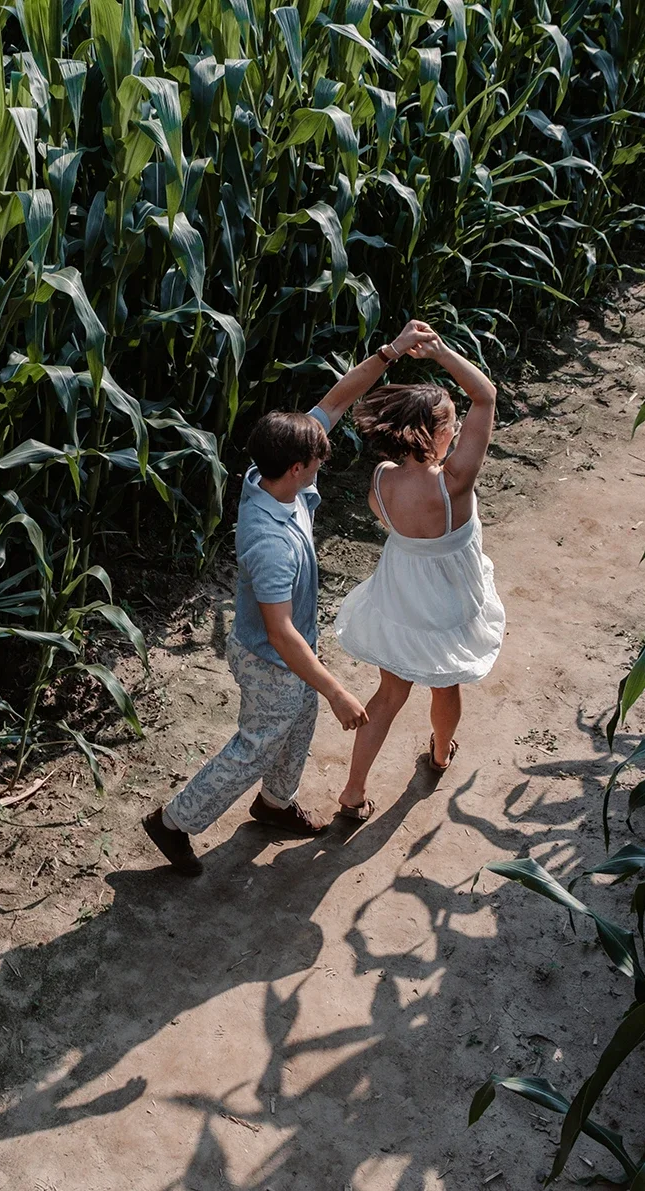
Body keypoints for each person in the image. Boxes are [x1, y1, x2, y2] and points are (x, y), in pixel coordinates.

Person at [143, 321, 441, 875]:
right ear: (299, 467)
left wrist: (389, 353)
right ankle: (173, 822)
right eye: (319, 460)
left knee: (298, 723)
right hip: (270, 657)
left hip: (292, 649)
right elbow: (279, 632)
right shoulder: (269, 541)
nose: (325, 462)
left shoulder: (271, 470)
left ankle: (274, 804)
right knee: (256, 743)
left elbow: (334, 399)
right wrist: (337, 692)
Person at [331, 323, 505, 821]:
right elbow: (486, 396)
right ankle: (440, 754)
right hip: (446, 602)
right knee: (445, 686)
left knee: (387, 696)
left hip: (401, 597)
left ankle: (352, 791)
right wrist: (444, 353)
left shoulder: (382, 478)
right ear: (442, 435)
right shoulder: (453, 484)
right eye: (452, 423)